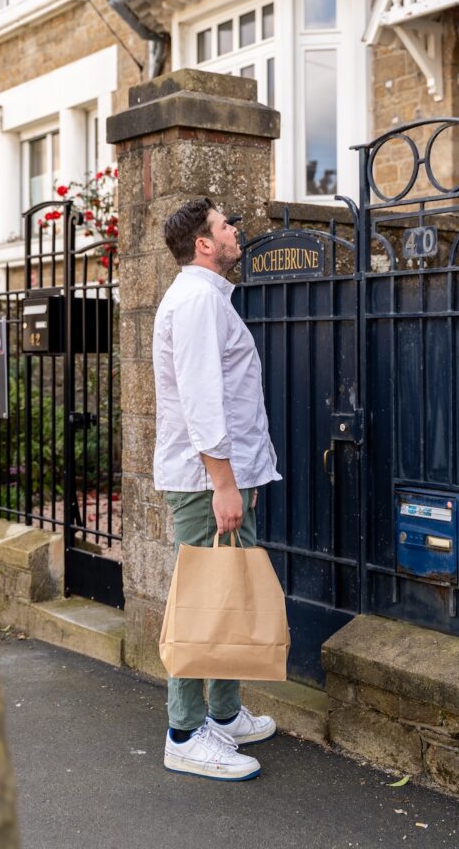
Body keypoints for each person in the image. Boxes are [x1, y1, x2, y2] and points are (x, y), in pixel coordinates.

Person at [153, 197, 282, 781]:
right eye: (225, 225)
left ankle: (224, 716)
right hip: (208, 482)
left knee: (225, 591)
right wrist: (224, 485)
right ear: (205, 243)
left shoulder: (207, 298)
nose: (235, 231)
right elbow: (203, 401)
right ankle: (183, 733)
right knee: (201, 596)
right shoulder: (198, 301)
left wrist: (241, 479)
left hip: (227, 477)